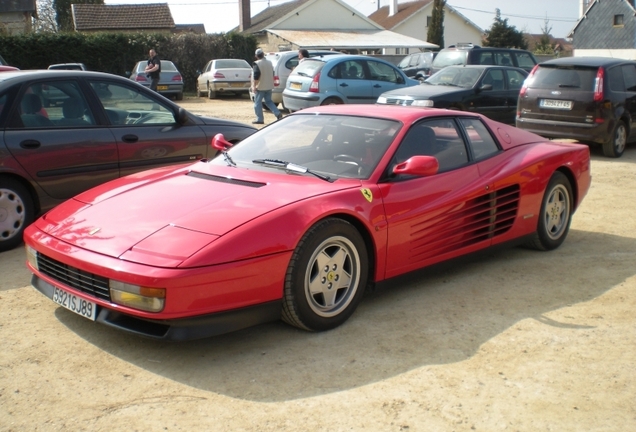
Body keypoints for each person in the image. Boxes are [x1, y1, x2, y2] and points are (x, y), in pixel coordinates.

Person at [251, 48, 282, 124]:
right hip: (269, 86)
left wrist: (254, 86)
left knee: (257, 103)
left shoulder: (257, 63)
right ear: (263, 54)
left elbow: (256, 76)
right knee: (269, 101)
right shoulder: (269, 62)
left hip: (260, 87)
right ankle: (277, 113)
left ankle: (259, 119)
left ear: (256, 56)